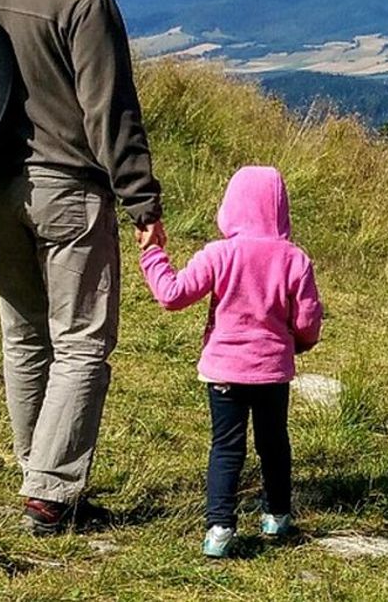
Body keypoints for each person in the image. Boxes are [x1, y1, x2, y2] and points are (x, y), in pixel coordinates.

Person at [0, 0, 166, 535]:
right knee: (82, 340)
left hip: (1, 188)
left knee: (24, 335)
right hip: (69, 193)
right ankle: (51, 491)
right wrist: (142, 201)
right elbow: (109, 110)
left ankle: (37, 472)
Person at [137, 166, 323, 558]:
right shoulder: (295, 259)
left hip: (224, 371)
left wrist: (152, 253)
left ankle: (219, 528)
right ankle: (276, 515)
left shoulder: (219, 254)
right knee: (273, 443)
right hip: (272, 372)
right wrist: (299, 343)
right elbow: (307, 321)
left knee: (226, 447)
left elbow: (172, 295)